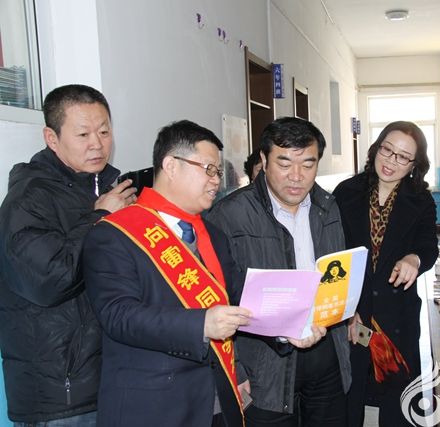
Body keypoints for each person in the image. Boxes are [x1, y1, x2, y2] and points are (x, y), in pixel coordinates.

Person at [82, 120, 252, 426]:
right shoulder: (115, 233)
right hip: (153, 408)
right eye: (208, 169)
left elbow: (238, 297)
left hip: (216, 401)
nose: (216, 180)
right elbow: (119, 315)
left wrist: (289, 322)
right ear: (171, 165)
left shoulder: (213, 235)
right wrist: (201, 324)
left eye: (218, 172)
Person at [0, 84, 137, 426]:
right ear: (52, 137)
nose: (97, 144)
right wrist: (100, 217)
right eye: (83, 134)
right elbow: (50, 280)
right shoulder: (29, 198)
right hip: (62, 395)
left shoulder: (103, 188)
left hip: (107, 379)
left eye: (104, 131)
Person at [205, 117, 351, 427]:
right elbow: (213, 297)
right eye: (284, 164)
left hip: (325, 356)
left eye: (308, 164)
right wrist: (236, 369)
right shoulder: (229, 215)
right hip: (264, 366)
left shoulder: (328, 206)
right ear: (264, 160)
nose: (296, 176)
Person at [333, 121, 439, 426]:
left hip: (398, 315)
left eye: (403, 157)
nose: (391, 161)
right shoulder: (346, 192)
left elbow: (428, 245)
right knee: (350, 397)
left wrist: (414, 259)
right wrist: (346, 310)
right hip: (355, 314)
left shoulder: (421, 200)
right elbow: (333, 255)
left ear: (414, 165)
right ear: (376, 148)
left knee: (399, 403)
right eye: (387, 150)